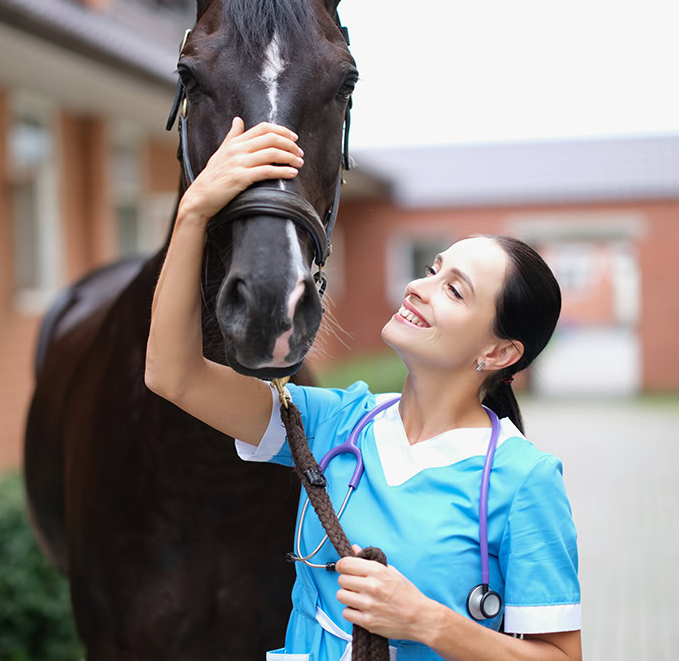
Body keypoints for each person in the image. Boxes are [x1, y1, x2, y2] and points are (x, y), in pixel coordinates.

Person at [145, 117, 582, 661]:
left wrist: (427, 622)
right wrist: (194, 212)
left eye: (454, 290)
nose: (418, 288)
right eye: (430, 269)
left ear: (497, 353)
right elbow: (173, 374)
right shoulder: (336, 423)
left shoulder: (524, 482)